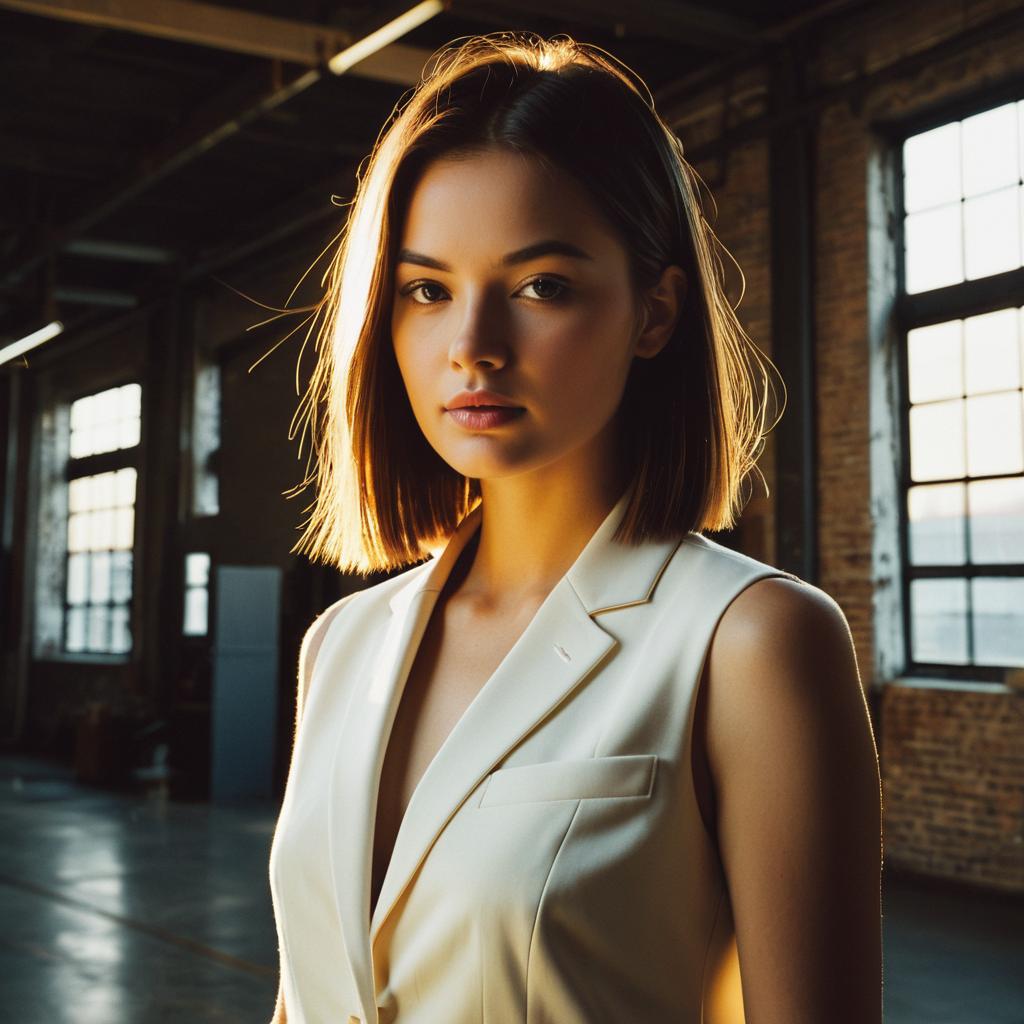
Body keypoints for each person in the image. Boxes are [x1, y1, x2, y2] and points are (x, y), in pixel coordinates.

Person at [268, 31, 882, 1024]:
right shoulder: (341, 643)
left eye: (540, 286)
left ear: (655, 312)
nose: (472, 346)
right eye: (428, 290)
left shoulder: (750, 642)